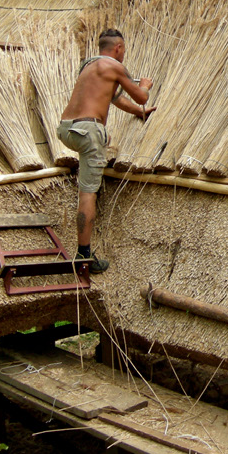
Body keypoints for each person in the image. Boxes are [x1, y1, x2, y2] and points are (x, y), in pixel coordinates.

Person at [58, 28, 155, 273]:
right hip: (88, 132)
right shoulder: (115, 66)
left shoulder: (89, 66)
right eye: (123, 51)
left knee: (99, 143)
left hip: (68, 129)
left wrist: (139, 113)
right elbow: (141, 96)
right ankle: (84, 256)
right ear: (118, 48)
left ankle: (83, 250)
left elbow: (116, 99)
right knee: (87, 193)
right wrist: (144, 86)